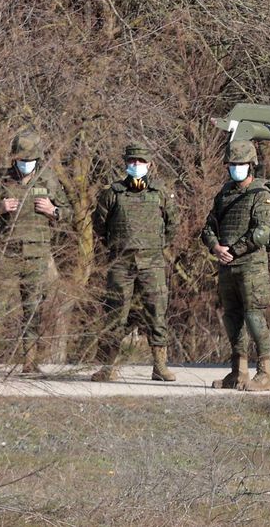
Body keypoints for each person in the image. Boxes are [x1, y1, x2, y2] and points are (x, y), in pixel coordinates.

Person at [0, 130, 71, 376]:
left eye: (29, 158)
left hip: (38, 255)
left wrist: (54, 211)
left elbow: (68, 213)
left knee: (32, 309)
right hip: (7, 254)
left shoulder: (49, 180)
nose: (25, 162)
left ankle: (30, 363)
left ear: (38, 158)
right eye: (21, 158)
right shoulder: (0, 180)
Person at [90, 142, 179, 383]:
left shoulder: (160, 192)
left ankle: (160, 366)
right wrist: (115, 249)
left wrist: (155, 248)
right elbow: (99, 226)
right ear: (125, 164)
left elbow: (173, 225)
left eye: (140, 161)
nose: (136, 165)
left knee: (156, 312)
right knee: (115, 313)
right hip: (121, 262)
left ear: (150, 164)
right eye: (132, 161)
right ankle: (109, 367)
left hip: (152, 262)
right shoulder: (112, 192)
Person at [201, 139, 270, 392]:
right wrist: (215, 247)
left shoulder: (262, 194)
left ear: (251, 165)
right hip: (227, 267)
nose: (236, 168)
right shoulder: (224, 194)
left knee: (254, 317)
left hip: (251, 267)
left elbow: (260, 234)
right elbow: (209, 226)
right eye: (232, 164)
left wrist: (232, 251)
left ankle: (265, 374)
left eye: (240, 163)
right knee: (232, 318)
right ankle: (238, 371)